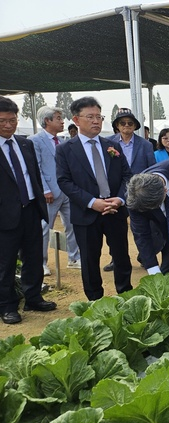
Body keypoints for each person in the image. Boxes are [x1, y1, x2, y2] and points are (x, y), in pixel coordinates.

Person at [56, 96, 133, 300]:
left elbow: (127, 175)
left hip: (115, 209)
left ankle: (126, 295)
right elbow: (64, 181)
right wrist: (92, 202)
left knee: (121, 257)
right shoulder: (65, 150)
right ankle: (95, 301)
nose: (96, 121)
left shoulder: (112, 145)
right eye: (90, 117)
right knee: (90, 260)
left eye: (99, 116)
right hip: (86, 213)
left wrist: (120, 199)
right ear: (76, 119)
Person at [0, 96, 56, 324]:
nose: (8, 125)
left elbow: (33, 175)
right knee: (6, 263)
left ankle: (33, 297)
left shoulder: (25, 143)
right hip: (5, 216)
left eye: (12, 120)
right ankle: (7, 306)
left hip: (31, 209)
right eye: (2, 120)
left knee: (34, 257)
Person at [29, 106, 81, 276]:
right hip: (49, 192)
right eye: (58, 118)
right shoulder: (34, 140)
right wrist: (44, 189)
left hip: (67, 191)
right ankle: (41, 263)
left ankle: (74, 258)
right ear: (47, 121)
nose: (62, 121)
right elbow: (35, 167)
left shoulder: (63, 140)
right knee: (45, 227)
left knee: (72, 224)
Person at [103, 108, 156, 272]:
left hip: (139, 192)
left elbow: (152, 169)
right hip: (116, 192)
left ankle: (145, 257)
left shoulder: (145, 144)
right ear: (117, 126)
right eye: (122, 123)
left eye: (130, 123)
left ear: (135, 126)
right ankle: (116, 258)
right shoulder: (107, 143)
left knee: (143, 227)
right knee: (115, 229)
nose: (126, 125)